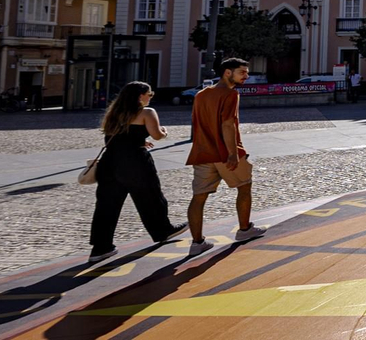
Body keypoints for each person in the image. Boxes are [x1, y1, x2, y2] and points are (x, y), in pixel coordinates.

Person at [88, 81, 186, 263]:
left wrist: (140, 140)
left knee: (106, 206)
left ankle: (100, 248)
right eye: (149, 94)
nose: (150, 97)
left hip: (110, 163)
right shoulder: (147, 112)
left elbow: (117, 138)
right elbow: (157, 135)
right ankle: (163, 230)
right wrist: (164, 132)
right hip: (135, 163)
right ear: (140, 96)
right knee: (150, 197)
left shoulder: (114, 113)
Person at [186, 58, 267, 256]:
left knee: (198, 197)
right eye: (242, 72)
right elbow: (228, 124)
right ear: (227, 73)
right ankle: (245, 229)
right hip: (224, 153)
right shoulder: (230, 94)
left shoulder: (201, 95)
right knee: (244, 186)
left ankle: (197, 242)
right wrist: (232, 153)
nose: (246, 76)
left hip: (202, 153)